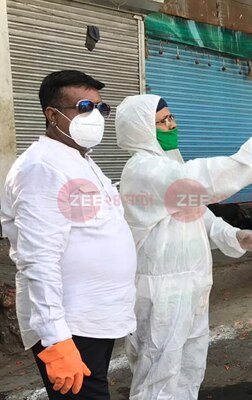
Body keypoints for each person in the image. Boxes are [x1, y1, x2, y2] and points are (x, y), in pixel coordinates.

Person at [116, 95, 252, 399]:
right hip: (162, 292)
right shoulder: (143, 170)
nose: (173, 125)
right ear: (141, 129)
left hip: (191, 286)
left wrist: (233, 235)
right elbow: (202, 183)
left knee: (189, 370)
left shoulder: (167, 163)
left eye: (172, 117)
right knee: (157, 375)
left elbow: (197, 211)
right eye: (163, 121)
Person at [0, 70, 138, 399]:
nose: (96, 116)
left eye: (101, 109)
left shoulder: (81, 160)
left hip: (93, 318)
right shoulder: (41, 168)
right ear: (53, 115)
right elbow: (38, 260)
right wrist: (57, 339)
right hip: (70, 325)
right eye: (84, 107)